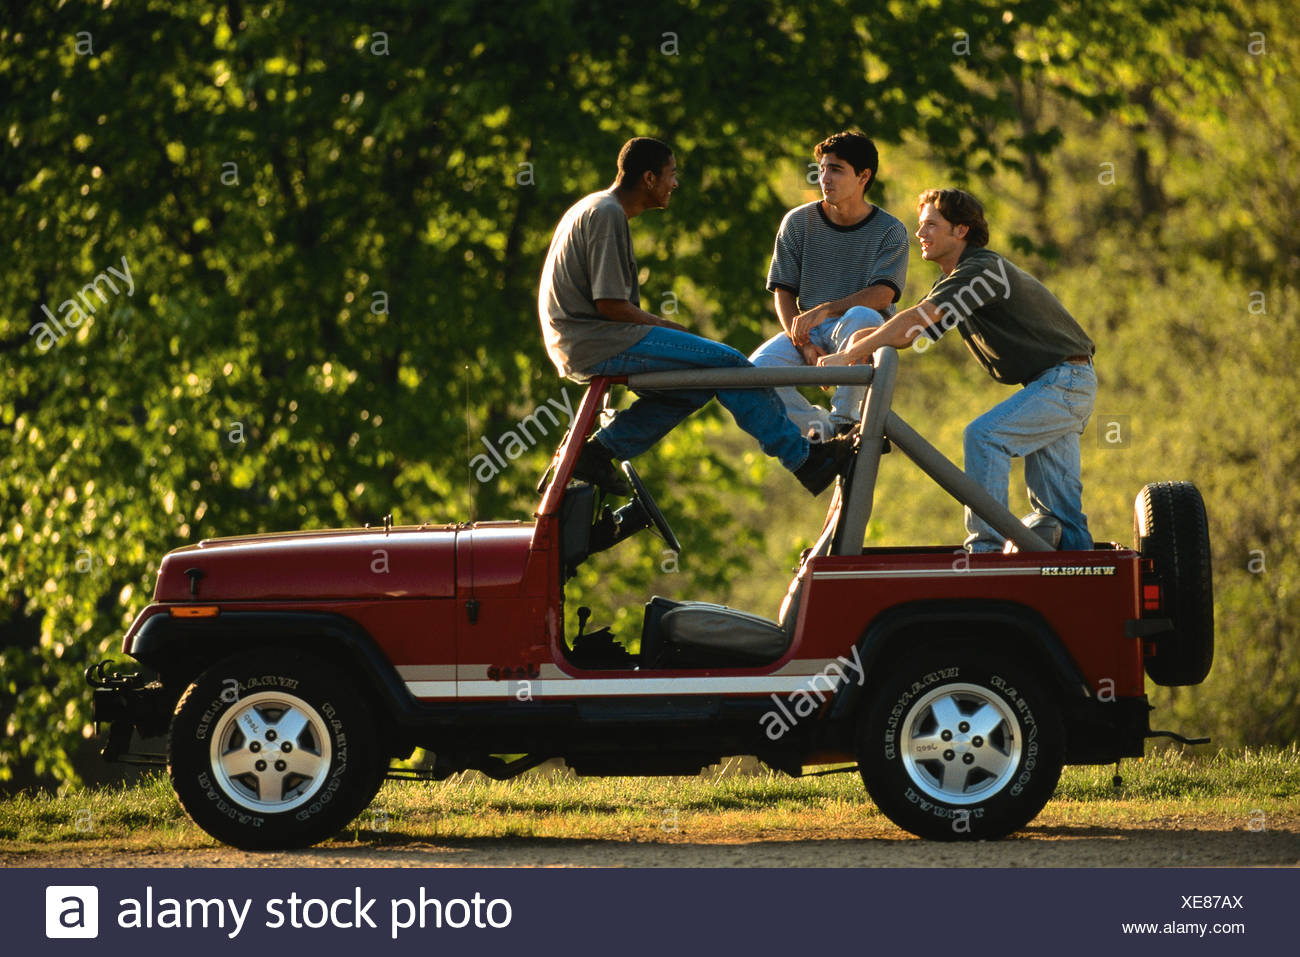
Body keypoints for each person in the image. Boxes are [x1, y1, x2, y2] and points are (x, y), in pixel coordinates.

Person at [538, 137, 853, 497]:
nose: (675, 183)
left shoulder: (596, 208)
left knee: (695, 383)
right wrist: (664, 325)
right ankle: (804, 460)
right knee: (728, 364)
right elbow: (609, 304)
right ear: (649, 178)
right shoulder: (606, 214)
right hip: (593, 341)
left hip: (579, 342)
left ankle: (599, 451)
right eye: (671, 175)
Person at [819, 188, 1097, 551]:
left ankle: (985, 549)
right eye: (921, 226)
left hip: (1064, 382)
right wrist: (851, 342)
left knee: (984, 437)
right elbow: (909, 331)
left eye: (931, 225)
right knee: (1060, 516)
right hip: (1060, 382)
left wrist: (852, 353)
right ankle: (1080, 577)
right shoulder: (956, 280)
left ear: (960, 231)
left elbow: (913, 324)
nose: (920, 233)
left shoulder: (981, 270)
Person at [750, 131, 909, 440]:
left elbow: (883, 295)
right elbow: (783, 293)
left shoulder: (890, 230)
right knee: (754, 373)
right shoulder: (797, 222)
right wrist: (803, 342)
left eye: (836, 170)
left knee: (863, 317)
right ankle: (822, 432)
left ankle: (845, 421)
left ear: (864, 176)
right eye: (822, 169)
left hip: (861, 333)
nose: (825, 178)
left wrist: (826, 309)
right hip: (812, 332)